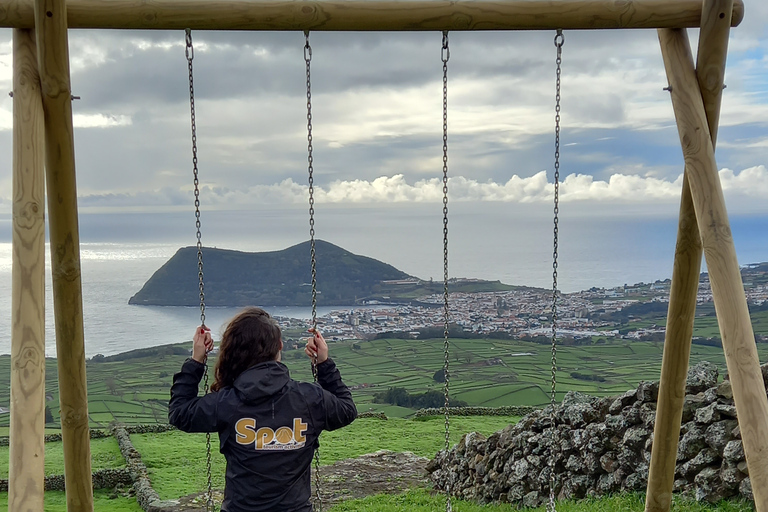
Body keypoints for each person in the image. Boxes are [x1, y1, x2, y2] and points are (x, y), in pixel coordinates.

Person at [169, 306, 357, 512]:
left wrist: (196, 361)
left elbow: (180, 412)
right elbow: (347, 409)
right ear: (280, 346)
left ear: (232, 351)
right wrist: (324, 364)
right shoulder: (310, 398)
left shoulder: (226, 402)